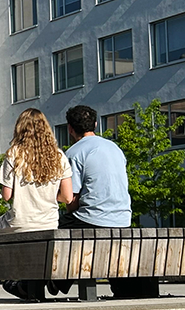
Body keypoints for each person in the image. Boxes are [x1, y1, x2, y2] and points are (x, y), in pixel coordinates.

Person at [0, 108, 73, 301]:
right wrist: (47, 195)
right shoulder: (59, 156)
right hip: (48, 223)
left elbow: (6, 196)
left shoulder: (14, 154)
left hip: (21, 222)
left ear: (20, 129)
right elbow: (67, 197)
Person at [59, 105, 153, 299]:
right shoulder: (115, 148)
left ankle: (52, 282)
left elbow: (72, 199)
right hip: (122, 219)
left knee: (55, 230)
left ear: (70, 128)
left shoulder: (74, 153)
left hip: (92, 219)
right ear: (95, 124)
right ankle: (123, 289)